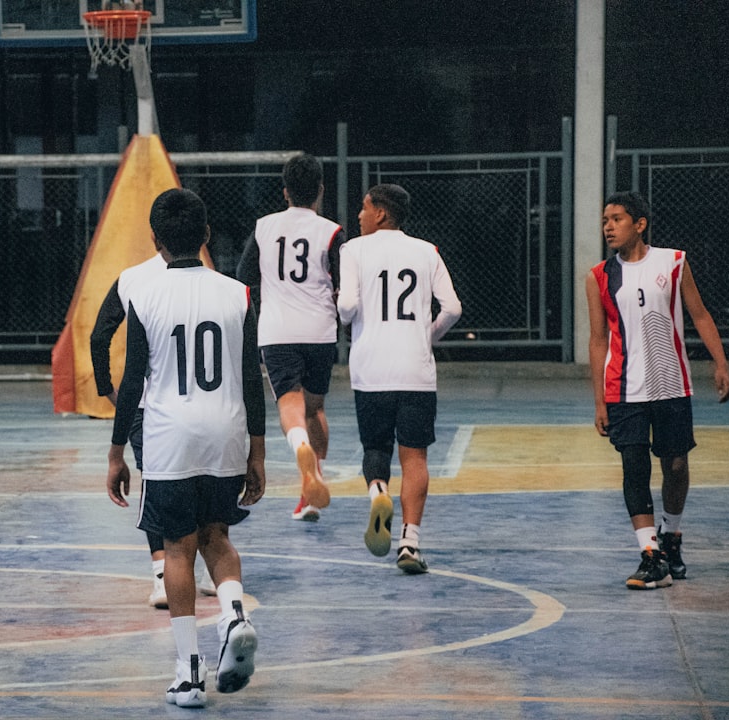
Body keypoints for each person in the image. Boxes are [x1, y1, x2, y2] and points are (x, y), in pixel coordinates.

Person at [105, 188, 266, 707]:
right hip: (226, 434)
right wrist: (257, 452)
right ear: (206, 235)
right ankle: (235, 614)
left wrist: (115, 452)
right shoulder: (238, 294)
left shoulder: (143, 295)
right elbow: (249, 376)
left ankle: (188, 673)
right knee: (216, 536)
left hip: (170, 436)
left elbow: (132, 383)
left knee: (178, 547)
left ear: (155, 239)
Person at [585, 191, 729, 590]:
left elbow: (699, 314)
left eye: (616, 219)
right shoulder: (599, 276)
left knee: (677, 466)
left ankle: (672, 536)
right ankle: (650, 555)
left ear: (640, 223)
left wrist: (720, 363)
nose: (608, 227)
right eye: (604, 220)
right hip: (623, 389)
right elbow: (598, 340)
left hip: (670, 383)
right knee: (634, 467)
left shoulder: (673, 262)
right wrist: (599, 398)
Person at [337, 184, 462, 572]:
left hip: (371, 368)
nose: (359, 216)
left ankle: (378, 491)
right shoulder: (427, 251)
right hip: (415, 369)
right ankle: (410, 542)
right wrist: (425, 335)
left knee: (376, 449)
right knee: (415, 456)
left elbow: (347, 306)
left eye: (363, 208)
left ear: (381, 214)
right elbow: (453, 308)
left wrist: (349, 317)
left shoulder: (353, 250)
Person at [90, 245, 218, 609]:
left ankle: (162, 575)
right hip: (205, 399)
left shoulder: (131, 279)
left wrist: (106, 390)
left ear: (154, 235)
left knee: (155, 481)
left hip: (149, 403)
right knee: (205, 476)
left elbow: (99, 337)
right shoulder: (213, 281)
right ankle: (207, 568)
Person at [236, 153, 346, 522]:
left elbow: (243, 274)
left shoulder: (264, 227)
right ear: (320, 190)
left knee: (289, 404)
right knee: (315, 408)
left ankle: (300, 449)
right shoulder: (331, 231)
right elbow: (342, 284)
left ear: (285, 192)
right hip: (319, 330)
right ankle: (312, 489)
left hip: (279, 330)